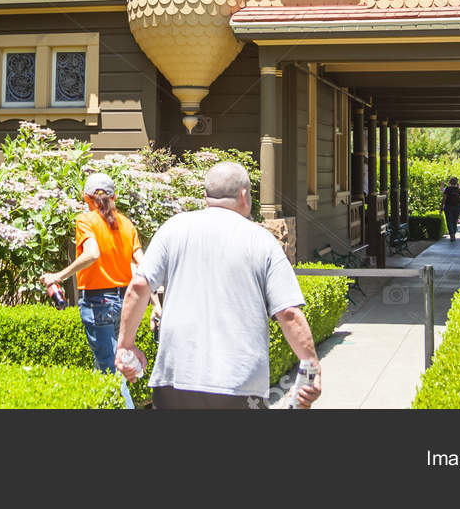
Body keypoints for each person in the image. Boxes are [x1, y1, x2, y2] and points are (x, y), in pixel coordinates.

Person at [115, 161, 321, 409]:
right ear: (244, 195)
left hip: (174, 381)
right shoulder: (262, 240)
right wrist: (311, 365)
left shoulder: (173, 228)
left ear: (205, 197)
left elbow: (138, 286)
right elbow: (288, 312)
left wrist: (125, 346)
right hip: (239, 385)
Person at [41, 172, 156, 372]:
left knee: (109, 370)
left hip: (97, 301)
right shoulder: (126, 224)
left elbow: (92, 254)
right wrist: (156, 304)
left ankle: (124, 404)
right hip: (124, 301)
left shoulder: (86, 220)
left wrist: (58, 276)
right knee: (109, 363)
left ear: (86, 198)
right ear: (114, 197)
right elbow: (144, 266)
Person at [440, 177, 460, 244]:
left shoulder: (448, 189)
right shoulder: (459, 190)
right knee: (455, 221)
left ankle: (452, 234)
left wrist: (441, 206)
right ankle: (453, 232)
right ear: (456, 182)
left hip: (448, 206)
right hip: (457, 207)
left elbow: (444, 198)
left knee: (449, 220)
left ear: (450, 182)